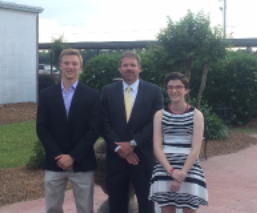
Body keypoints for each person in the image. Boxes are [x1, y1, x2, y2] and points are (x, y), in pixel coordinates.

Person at [36, 48, 100, 213]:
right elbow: (42, 128)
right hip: (54, 161)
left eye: (74, 63)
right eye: (67, 63)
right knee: (52, 208)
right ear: (60, 66)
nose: (70, 66)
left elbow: (94, 130)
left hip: (82, 162)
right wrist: (60, 156)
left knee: (85, 209)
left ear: (80, 67)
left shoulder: (92, 95)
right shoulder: (46, 95)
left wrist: (73, 156)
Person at [100, 51, 164, 213]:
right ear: (120, 69)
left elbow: (155, 123)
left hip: (143, 158)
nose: (129, 68)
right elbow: (103, 123)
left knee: (146, 205)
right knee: (117, 205)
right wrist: (121, 149)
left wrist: (133, 144)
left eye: (132, 65)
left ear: (139, 68)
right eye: (125, 65)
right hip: (116, 159)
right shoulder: (108, 91)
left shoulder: (154, 91)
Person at [149, 72, 208, 213]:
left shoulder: (196, 115)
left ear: (186, 90)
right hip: (164, 169)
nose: (174, 90)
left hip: (189, 169)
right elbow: (157, 147)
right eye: (170, 87)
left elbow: (195, 149)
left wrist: (181, 174)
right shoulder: (159, 115)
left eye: (178, 87)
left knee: (190, 210)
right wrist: (171, 171)